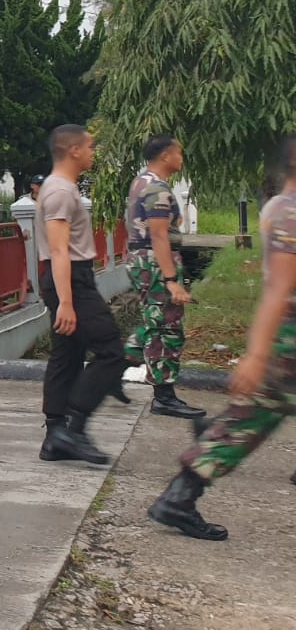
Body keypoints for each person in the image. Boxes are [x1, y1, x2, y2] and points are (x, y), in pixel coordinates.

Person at [148, 135, 296, 541]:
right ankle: (180, 496)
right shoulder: (289, 213)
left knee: (251, 417)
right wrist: (256, 353)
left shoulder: (281, 208)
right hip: (289, 339)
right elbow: (279, 289)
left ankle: (182, 492)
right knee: (250, 418)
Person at [36, 124, 131, 464]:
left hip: (70, 278)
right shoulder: (60, 191)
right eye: (90, 146)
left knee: (68, 356)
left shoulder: (61, 187)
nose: (94, 152)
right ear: (74, 150)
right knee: (111, 352)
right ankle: (73, 429)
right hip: (70, 280)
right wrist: (66, 302)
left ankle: (54, 437)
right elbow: (59, 251)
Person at [122, 135, 205, 419]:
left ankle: (111, 367)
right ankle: (164, 396)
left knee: (154, 321)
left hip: (145, 260)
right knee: (167, 328)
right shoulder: (156, 188)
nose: (182, 158)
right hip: (156, 263)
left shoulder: (140, 182)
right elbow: (159, 235)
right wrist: (171, 279)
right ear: (166, 156)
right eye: (179, 153)